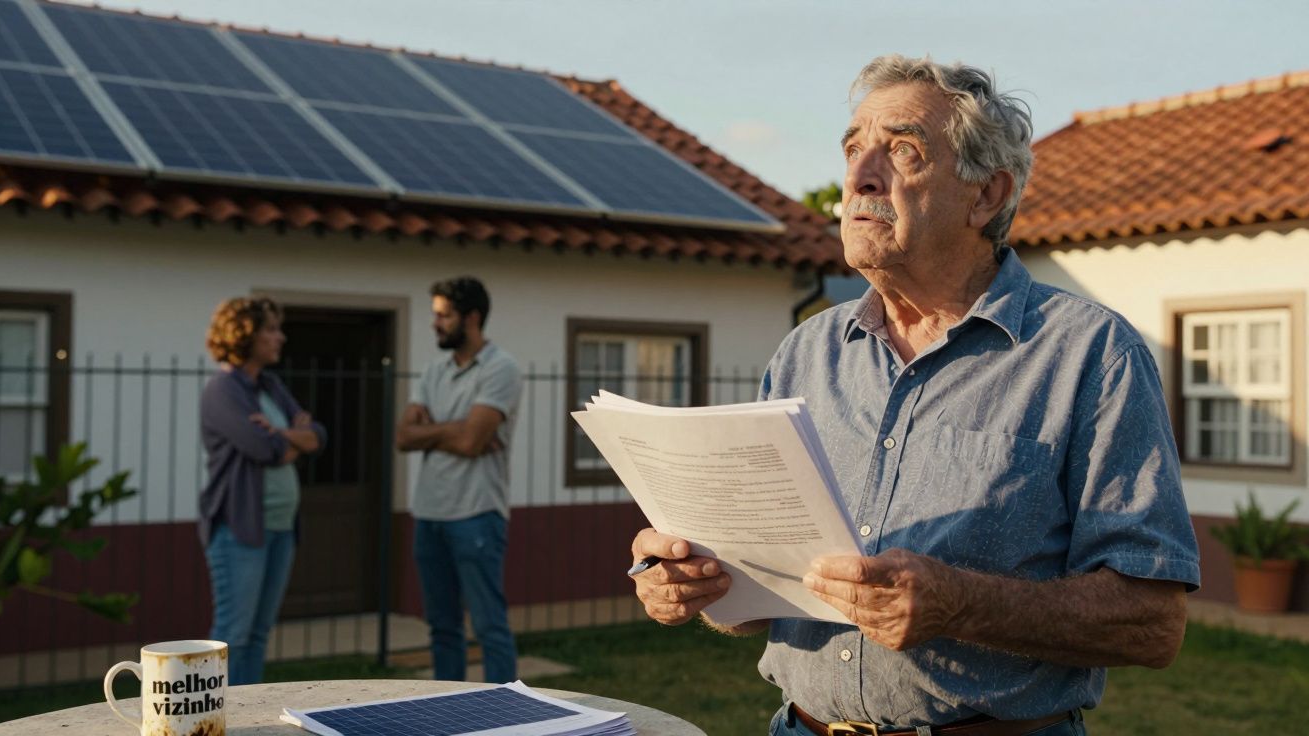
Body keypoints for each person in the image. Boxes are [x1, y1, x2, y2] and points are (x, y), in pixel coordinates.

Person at [629, 55, 1200, 735]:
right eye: (853, 148)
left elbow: (1151, 623)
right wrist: (695, 582)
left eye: (901, 150)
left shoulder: (1090, 355)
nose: (860, 175)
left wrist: (959, 605)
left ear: (986, 196)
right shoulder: (806, 354)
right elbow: (755, 598)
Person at [396, 276, 523, 683]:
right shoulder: (434, 371)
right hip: (429, 514)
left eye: (443, 315)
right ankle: (447, 709)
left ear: (471, 317)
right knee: (442, 628)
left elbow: (471, 441)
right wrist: (458, 431)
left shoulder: (501, 368)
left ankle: (508, 712)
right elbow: (403, 436)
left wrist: (434, 432)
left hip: (477, 514)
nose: (435, 323)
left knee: (489, 626)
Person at [199, 297, 327, 685]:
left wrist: (282, 433)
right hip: (240, 530)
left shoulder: (270, 385)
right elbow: (262, 448)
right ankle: (214, 717)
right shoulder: (222, 390)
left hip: (281, 528)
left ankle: (248, 716)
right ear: (245, 335)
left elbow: (318, 435)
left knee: (257, 635)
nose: (280, 337)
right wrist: (290, 439)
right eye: (271, 329)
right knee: (233, 636)